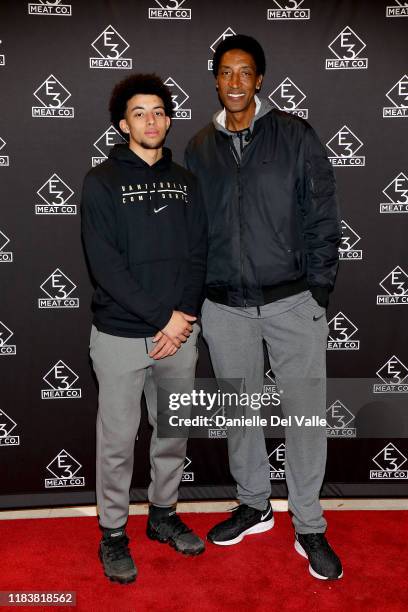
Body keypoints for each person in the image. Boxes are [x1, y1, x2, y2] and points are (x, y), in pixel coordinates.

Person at [185, 35, 343, 580]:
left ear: (259, 80)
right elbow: (195, 232)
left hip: (293, 301)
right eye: (225, 72)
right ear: (215, 79)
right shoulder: (199, 146)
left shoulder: (295, 135)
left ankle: (309, 525)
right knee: (239, 412)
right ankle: (254, 503)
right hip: (224, 307)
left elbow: (323, 215)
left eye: (244, 73)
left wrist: (318, 289)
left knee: (304, 417)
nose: (234, 82)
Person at [81, 73, 207, 584]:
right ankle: (113, 534)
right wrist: (164, 319)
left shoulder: (188, 182)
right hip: (119, 335)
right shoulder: (101, 182)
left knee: (172, 434)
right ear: (122, 123)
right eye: (139, 112)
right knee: (116, 442)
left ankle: (163, 515)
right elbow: (106, 267)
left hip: (179, 333)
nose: (150, 120)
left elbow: (199, 255)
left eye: (158, 111)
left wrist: (181, 319)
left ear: (168, 118)